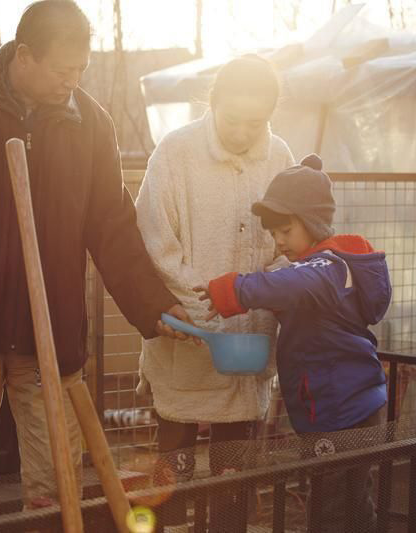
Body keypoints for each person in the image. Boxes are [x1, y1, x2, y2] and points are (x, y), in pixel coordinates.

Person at [0, 1, 192, 527]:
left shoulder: (89, 123)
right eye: (62, 70)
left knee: (55, 483)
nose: (72, 81)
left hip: (50, 333)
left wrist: (153, 306)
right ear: (24, 56)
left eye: (80, 71)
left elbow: (111, 226)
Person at [134, 55, 295, 531]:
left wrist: (264, 291)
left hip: (249, 340)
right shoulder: (175, 152)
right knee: (173, 466)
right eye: (233, 120)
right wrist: (204, 307)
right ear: (213, 103)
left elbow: (291, 244)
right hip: (183, 331)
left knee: (234, 466)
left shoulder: (279, 156)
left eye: (257, 122)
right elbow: (154, 241)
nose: (244, 133)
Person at [198, 154, 391, 531]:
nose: (279, 240)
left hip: (341, 414)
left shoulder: (327, 267)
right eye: (272, 233)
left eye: (285, 230)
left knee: (330, 512)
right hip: (351, 408)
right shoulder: (327, 266)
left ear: (313, 222)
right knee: (350, 501)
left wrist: (233, 289)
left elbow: (290, 283)